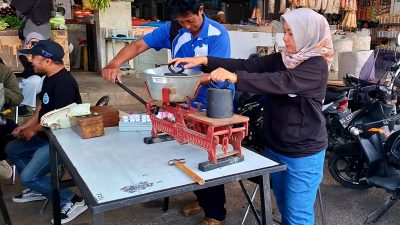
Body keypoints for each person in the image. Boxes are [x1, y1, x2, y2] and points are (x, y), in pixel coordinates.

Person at [171, 8, 334, 225]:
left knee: (297, 216)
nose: (285, 38)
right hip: (276, 145)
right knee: (284, 205)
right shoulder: (283, 58)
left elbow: (279, 82)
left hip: (304, 152)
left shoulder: (316, 66)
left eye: (291, 33)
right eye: (284, 32)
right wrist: (203, 60)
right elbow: (246, 65)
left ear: (308, 34)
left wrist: (235, 78)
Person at [102, 1, 233, 224]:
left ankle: (215, 214)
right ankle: (201, 199)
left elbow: (216, 73)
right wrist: (114, 63)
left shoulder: (217, 34)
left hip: (214, 103)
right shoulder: (173, 28)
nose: (186, 26)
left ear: (201, 10)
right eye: (181, 21)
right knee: (185, 151)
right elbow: (138, 46)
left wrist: (178, 81)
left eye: (190, 20)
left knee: (207, 155)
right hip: (182, 101)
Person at [5, 40, 87, 224]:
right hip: (47, 136)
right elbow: (41, 107)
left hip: (62, 141)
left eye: (34, 57)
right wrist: (27, 126)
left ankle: (72, 200)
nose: (30, 60)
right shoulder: (48, 77)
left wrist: (33, 130)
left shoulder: (64, 83)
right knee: (11, 148)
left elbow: (60, 120)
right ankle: (39, 188)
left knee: (28, 176)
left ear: (48, 61)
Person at [0, 56, 23, 180]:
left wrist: (2, 89)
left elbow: (18, 99)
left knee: (18, 136)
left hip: (2, 119)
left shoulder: (4, 71)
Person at [18, 32, 46, 116]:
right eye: (32, 42)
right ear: (27, 43)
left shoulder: (46, 54)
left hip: (42, 83)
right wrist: (30, 57)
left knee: (46, 78)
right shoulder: (23, 55)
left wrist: (39, 55)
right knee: (35, 80)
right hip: (30, 83)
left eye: (37, 42)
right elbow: (28, 74)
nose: (34, 45)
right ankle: (23, 107)